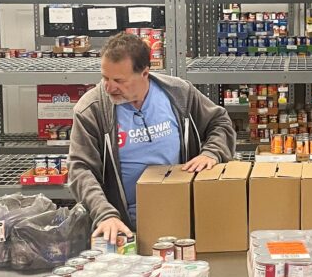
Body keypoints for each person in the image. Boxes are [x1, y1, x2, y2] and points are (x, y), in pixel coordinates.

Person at [68, 32, 236, 241]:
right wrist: (105, 214)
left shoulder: (179, 94)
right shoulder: (92, 110)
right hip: (123, 229)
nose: (109, 87)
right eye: (105, 78)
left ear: (145, 73)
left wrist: (212, 152)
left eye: (119, 80)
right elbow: (80, 169)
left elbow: (220, 122)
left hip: (182, 219)